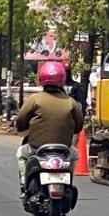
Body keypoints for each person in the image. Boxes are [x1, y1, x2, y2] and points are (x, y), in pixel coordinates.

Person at [15, 62, 85, 195]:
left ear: (41, 78)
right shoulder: (70, 102)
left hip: (37, 148)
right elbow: (79, 126)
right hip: (64, 149)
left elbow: (20, 121)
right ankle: (68, 181)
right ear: (62, 79)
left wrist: (23, 127)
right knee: (75, 155)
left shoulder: (34, 99)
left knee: (21, 153)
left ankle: (24, 185)